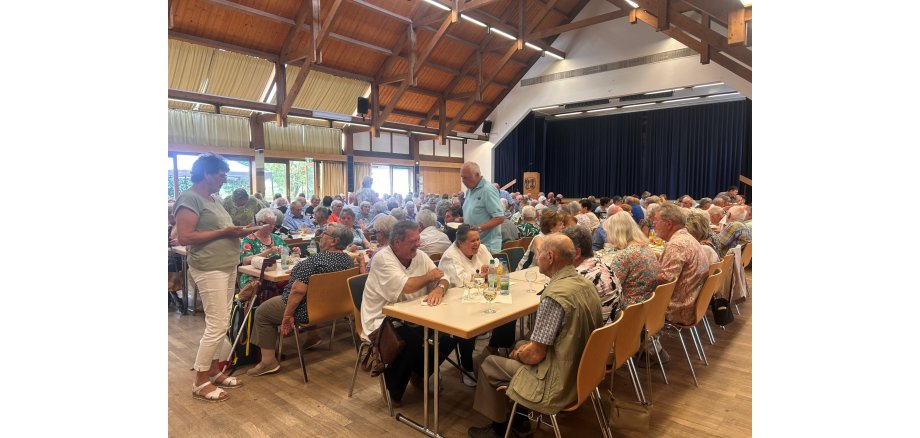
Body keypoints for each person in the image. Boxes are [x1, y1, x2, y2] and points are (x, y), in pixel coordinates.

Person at [467, 235, 602, 438]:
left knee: (488, 363)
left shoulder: (554, 296)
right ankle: (520, 420)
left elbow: (535, 355)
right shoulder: (585, 284)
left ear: (550, 256)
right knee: (522, 342)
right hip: (582, 370)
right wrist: (522, 348)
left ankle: (499, 429)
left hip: (558, 381)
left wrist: (517, 354)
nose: (536, 257)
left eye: (538, 253)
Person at [173, 153, 253, 402]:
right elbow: (185, 237)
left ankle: (215, 370)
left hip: (226, 265)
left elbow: (220, 232)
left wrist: (241, 231)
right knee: (217, 324)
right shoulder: (189, 199)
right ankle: (199, 380)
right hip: (209, 267)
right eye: (220, 174)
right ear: (206, 173)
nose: (223, 179)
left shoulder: (214, 199)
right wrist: (225, 231)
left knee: (223, 322)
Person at [360, 221, 457, 404]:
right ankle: (393, 391)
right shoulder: (383, 258)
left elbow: (444, 277)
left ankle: (419, 372)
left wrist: (439, 289)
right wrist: (430, 277)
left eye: (419, 239)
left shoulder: (418, 255)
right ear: (397, 242)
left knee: (451, 333)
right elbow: (407, 286)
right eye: (413, 240)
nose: (418, 244)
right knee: (412, 339)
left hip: (415, 315)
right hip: (381, 320)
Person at [246, 223, 357, 376]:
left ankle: (268, 361)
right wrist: (298, 271)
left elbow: (297, 291)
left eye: (326, 233)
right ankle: (313, 336)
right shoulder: (348, 261)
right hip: (334, 308)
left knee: (262, 312)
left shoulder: (312, 262)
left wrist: (287, 315)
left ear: (334, 241)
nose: (322, 235)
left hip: (308, 310)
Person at [437, 224, 516, 386]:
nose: (477, 243)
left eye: (478, 239)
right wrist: (483, 275)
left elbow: (497, 268)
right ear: (460, 243)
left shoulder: (482, 249)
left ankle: (494, 347)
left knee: (510, 312)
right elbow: (460, 283)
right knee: (468, 325)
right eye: (472, 240)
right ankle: (467, 367)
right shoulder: (450, 256)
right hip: (456, 305)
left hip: (479, 296)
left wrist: (488, 273)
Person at [654, 203, 709, 326]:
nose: (654, 224)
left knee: (628, 293)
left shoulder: (676, 245)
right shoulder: (687, 238)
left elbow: (665, 280)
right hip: (691, 302)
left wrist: (642, 270)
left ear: (668, 224)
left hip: (677, 308)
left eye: (656, 221)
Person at [560, 225, 620, 323]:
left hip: (593, 335)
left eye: (562, 250)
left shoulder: (579, 277)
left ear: (576, 253)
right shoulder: (604, 266)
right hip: (612, 331)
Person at [604, 211, 660, 310]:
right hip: (648, 304)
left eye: (609, 232)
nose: (608, 237)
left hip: (630, 310)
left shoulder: (625, 255)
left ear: (616, 233)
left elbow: (610, 289)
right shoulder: (646, 247)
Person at [239, 208, 300, 287]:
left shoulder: (277, 238)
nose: (272, 227)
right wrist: (268, 252)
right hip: (256, 278)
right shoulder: (249, 240)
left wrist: (295, 253)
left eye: (273, 224)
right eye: (269, 224)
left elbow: (287, 258)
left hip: (277, 275)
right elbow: (246, 261)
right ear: (259, 223)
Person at [461, 162, 505, 253]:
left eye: (466, 177)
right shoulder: (469, 190)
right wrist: (463, 219)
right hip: (474, 243)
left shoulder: (488, 190)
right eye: (462, 177)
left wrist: (478, 229)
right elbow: (475, 213)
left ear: (477, 175)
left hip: (488, 245)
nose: (463, 180)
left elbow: (499, 218)